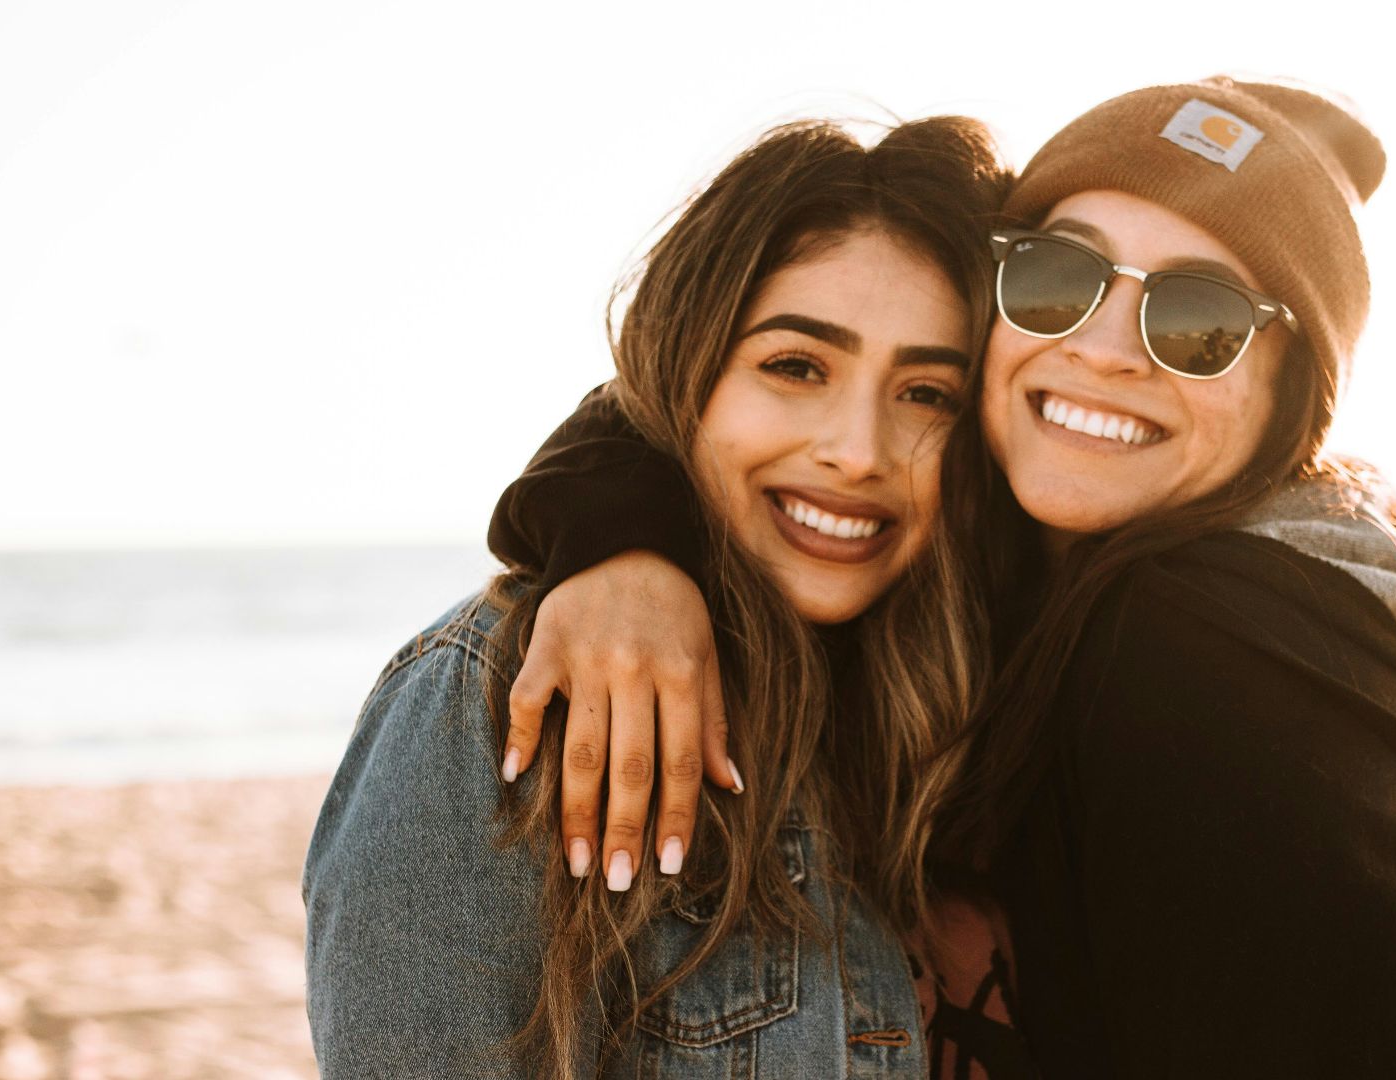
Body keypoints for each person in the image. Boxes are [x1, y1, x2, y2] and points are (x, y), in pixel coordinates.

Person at [487, 78, 1396, 1077]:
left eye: (1200, 321)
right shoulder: (997, 539)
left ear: (1294, 396)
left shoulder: (1227, 649)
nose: (1103, 349)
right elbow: (693, 384)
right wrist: (628, 543)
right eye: (1060, 277)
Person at [301, 115, 1026, 1078]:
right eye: (795, 367)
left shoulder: (981, 695)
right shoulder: (495, 703)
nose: (859, 451)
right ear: (688, 375)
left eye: (927, 393)